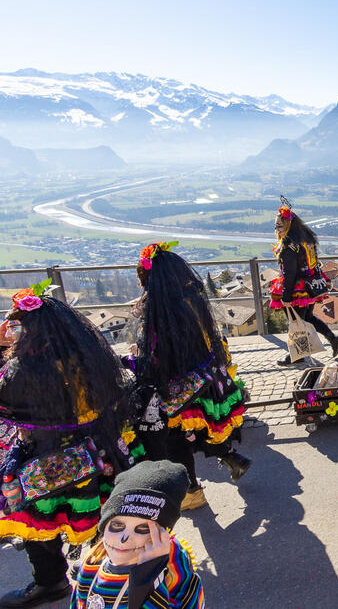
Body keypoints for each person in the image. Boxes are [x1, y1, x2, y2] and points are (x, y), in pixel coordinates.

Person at [0, 288, 142, 609]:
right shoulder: (90, 359)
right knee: (100, 513)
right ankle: (109, 574)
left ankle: (51, 583)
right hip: (98, 454)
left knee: (41, 523)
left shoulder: (25, 371)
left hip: (45, 463)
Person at [130, 242, 251, 512]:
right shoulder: (191, 298)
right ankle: (232, 458)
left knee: (177, 441)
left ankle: (192, 491)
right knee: (205, 427)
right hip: (206, 377)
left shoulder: (159, 310)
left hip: (179, 386)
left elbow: (158, 354)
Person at [70, 460, 204, 609]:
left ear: (162, 534)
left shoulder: (175, 569)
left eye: (142, 528)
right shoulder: (91, 563)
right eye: (117, 525)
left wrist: (148, 575)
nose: (124, 539)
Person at [270, 202, 338, 365]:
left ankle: (297, 355)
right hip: (310, 285)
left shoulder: (289, 245)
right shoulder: (306, 239)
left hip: (297, 289)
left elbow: (290, 273)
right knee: (306, 318)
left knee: (296, 322)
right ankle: (333, 338)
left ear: (287, 225)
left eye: (279, 225)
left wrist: (286, 296)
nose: (277, 229)